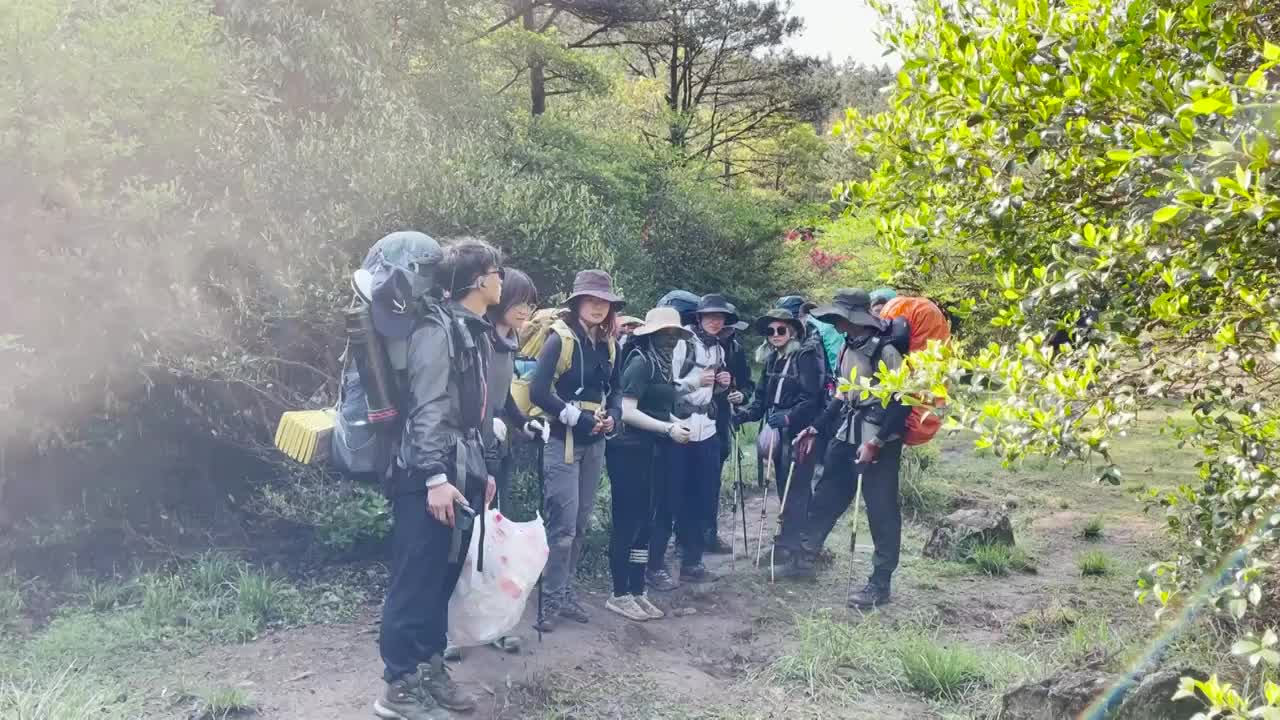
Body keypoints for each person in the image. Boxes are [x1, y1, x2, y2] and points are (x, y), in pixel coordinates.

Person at [376, 239, 503, 720]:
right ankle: (398, 687)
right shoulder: (435, 329)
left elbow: (469, 417)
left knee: (440, 581)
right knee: (416, 578)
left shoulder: (470, 328)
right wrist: (432, 477)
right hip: (426, 473)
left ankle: (429, 672)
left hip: (460, 469)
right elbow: (428, 409)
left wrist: (482, 471)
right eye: (497, 271)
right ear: (477, 280)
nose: (501, 279)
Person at [794, 289, 909, 609]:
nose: (838, 324)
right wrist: (817, 426)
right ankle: (804, 555)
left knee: (881, 510)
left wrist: (876, 442)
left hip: (879, 436)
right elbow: (842, 395)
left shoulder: (886, 352)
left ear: (855, 318)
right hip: (848, 432)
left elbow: (901, 402)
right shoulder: (848, 346)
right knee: (827, 492)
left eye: (841, 318)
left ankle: (880, 583)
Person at [529, 270, 624, 630]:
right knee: (562, 528)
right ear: (578, 303)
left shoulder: (609, 344)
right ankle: (549, 601)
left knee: (580, 525)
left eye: (604, 302)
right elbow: (539, 392)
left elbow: (614, 389)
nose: (599, 307)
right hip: (562, 441)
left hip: (594, 442)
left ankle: (565, 593)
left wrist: (613, 416)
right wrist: (577, 419)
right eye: (592, 300)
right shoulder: (560, 339)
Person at [604, 307, 693, 621]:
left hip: (651, 450)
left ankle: (637, 589)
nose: (669, 340)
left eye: (674, 335)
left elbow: (654, 408)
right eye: (664, 334)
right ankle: (618, 592)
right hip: (628, 451)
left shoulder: (663, 365)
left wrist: (672, 424)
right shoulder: (641, 363)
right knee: (628, 522)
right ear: (651, 336)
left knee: (645, 521)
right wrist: (668, 428)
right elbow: (626, 411)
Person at [649, 294, 732, 588]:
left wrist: (723, 386)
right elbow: (667, 388)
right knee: (669, 499)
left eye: (720, 317)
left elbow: (713, 395)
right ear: (698, 317)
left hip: (706, 429)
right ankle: (656, 565)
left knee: (702, 498)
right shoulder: (682, 344)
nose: (715, 320)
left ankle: (692, 562)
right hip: (678, 427)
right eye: (709, 315)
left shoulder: (720, 349)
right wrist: (698, 382)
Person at [734, 309, 824, 575]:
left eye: (781, 330)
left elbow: (813, 398)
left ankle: (799, 553)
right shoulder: (773, 359)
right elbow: (762, 399)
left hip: (799, 434)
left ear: (793, 331)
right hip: (778, 433)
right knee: (784, 488)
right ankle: (785, 543)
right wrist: (745, 415)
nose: (775, 336)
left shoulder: (805, 357)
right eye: (770, 331)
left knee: (797, 491)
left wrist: (787, 418)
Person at [706, 309, 751, 554]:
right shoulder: (697, 346)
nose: (729, 332)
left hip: (723, 418)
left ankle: (709, 534)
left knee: (713, 478)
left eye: (732, 328)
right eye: (726, 328)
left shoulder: (735, 348)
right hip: (699, 417)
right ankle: (689, 536)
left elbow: (747, 382)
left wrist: (742, 395)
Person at [776, 295, 841, 389]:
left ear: (802, 315)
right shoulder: (783, 333)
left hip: (826, 387)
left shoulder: (825, 329)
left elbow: (836, 361)